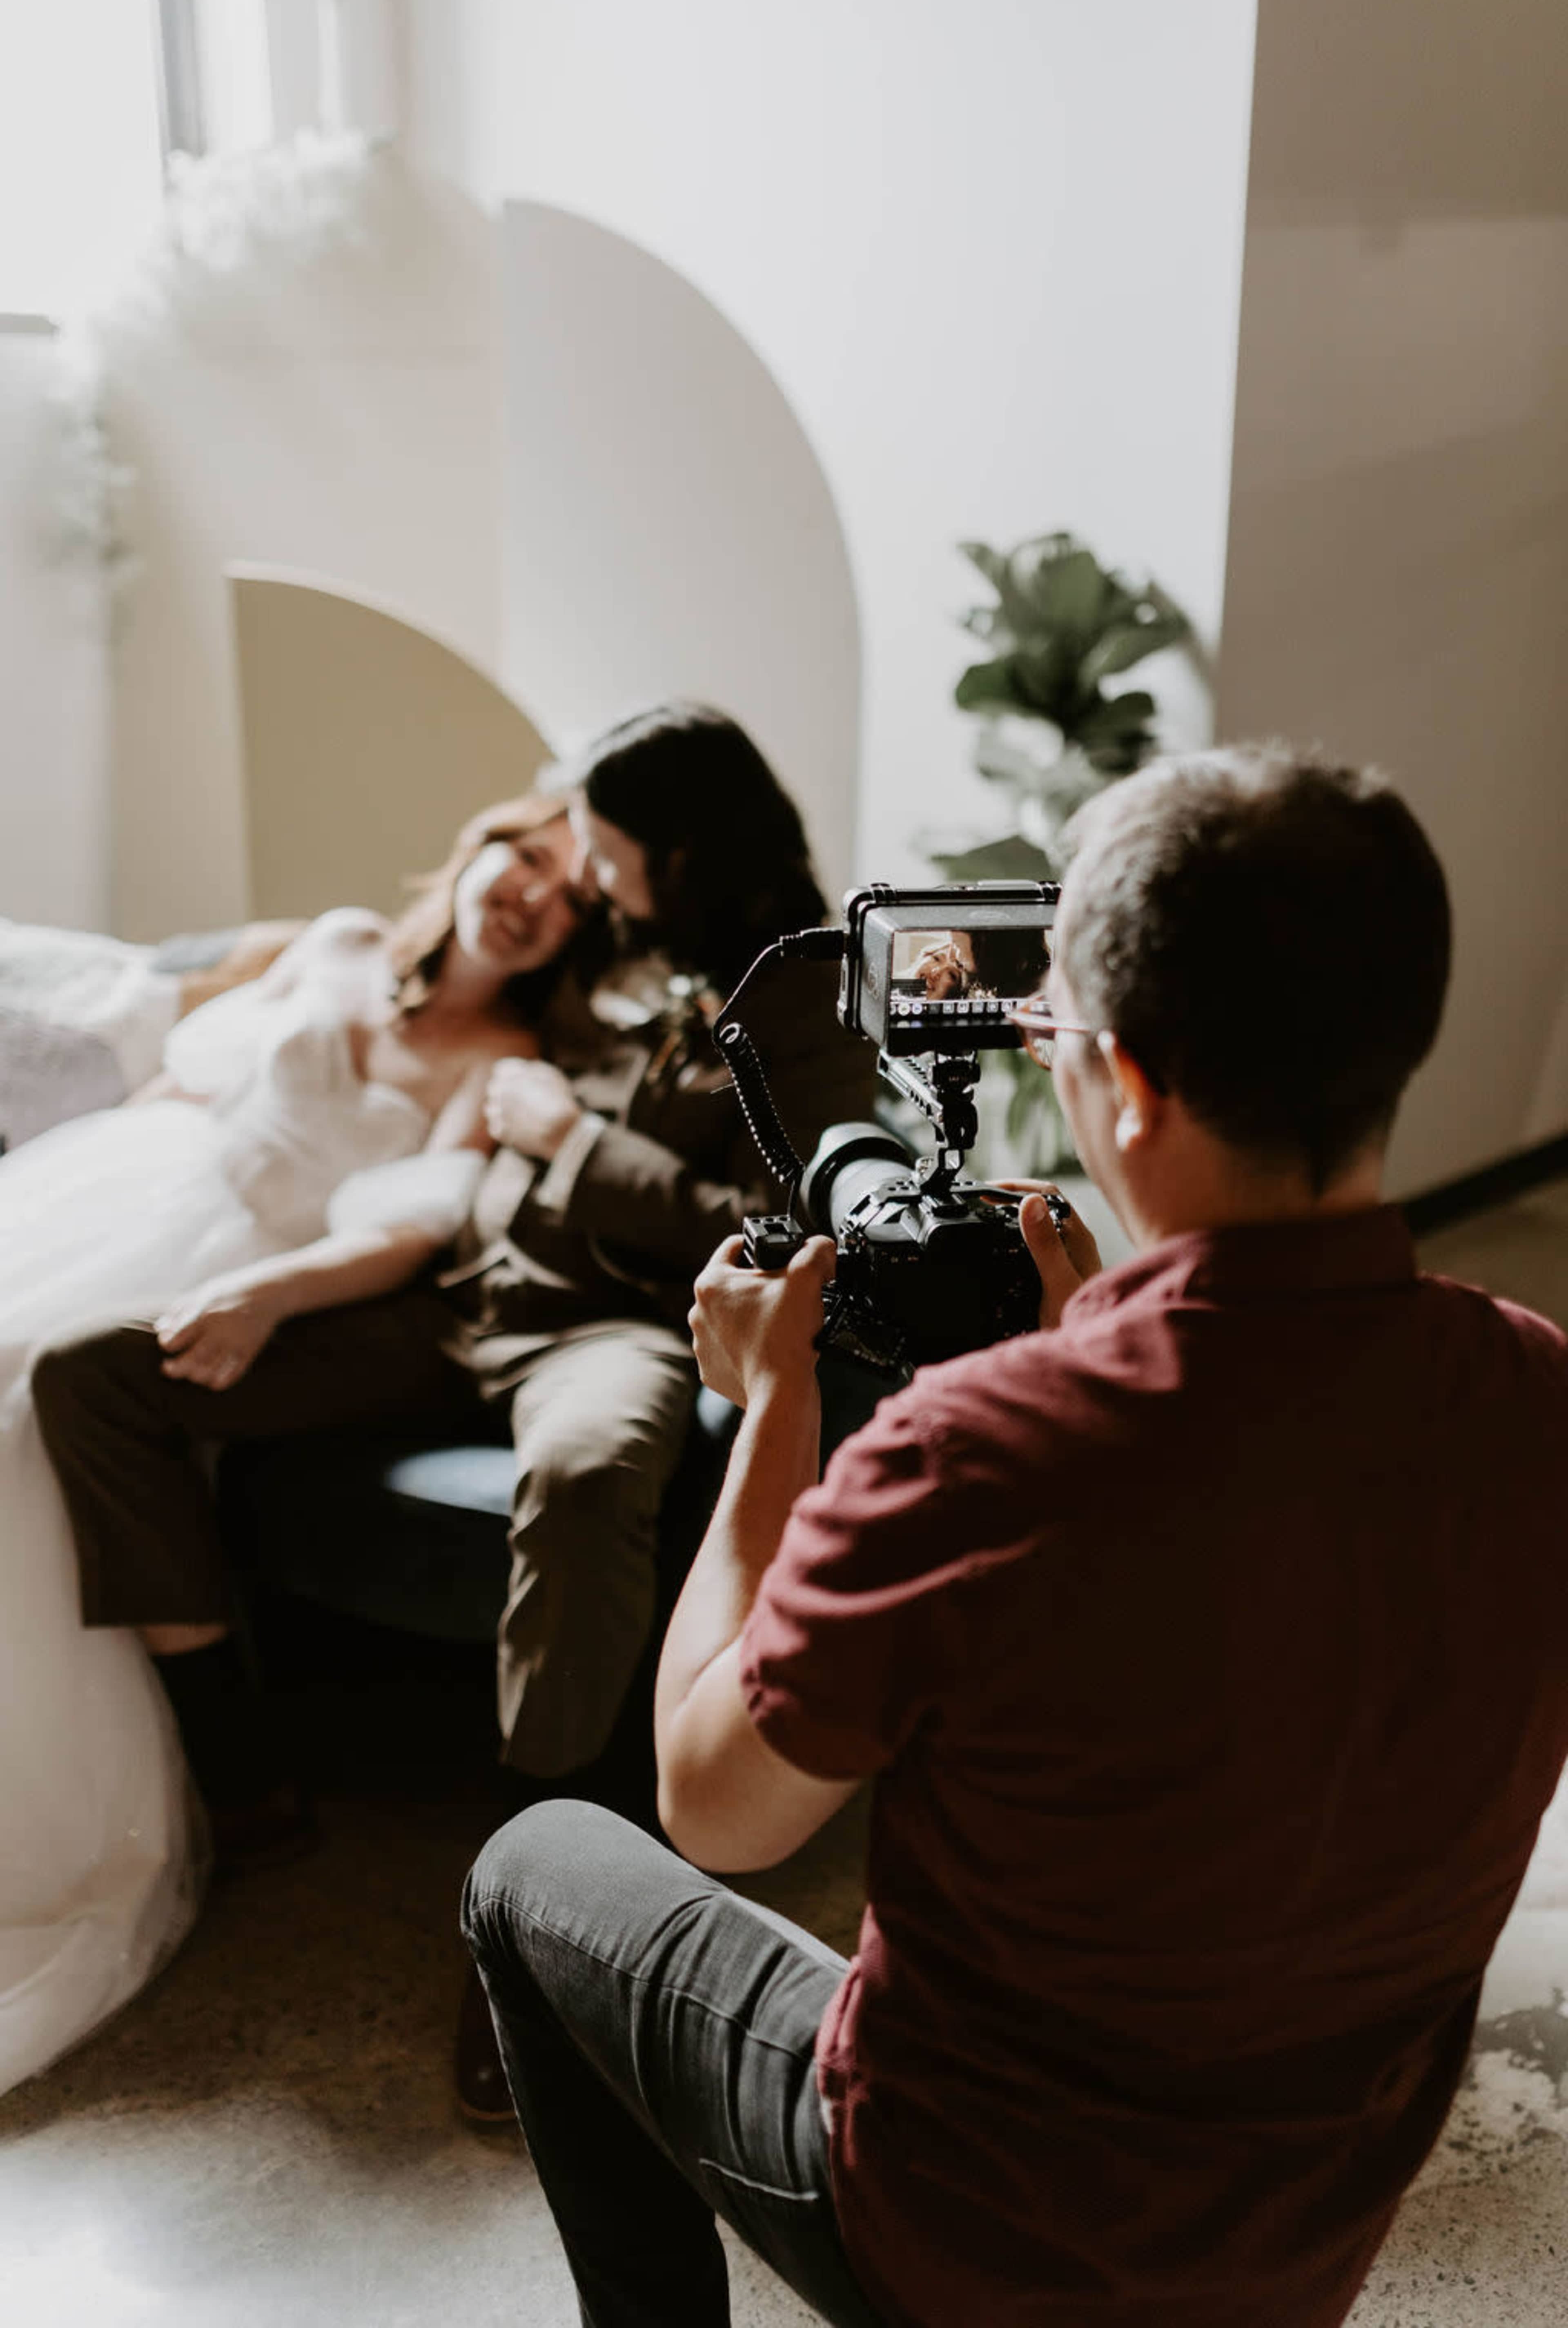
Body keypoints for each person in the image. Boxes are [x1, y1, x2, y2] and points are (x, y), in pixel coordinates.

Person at [462, 746, 1568, 2328]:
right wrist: (1094, 1333)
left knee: (531, 1865)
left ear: (1123, 1082)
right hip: (1307, 2233)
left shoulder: (969, 1456)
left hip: (972, 2235)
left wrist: (775, 1399)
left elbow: (713, 1806)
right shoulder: (1534, 1386)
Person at [35, 703, 876, 2110]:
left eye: (604, 850)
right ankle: (244, 1776)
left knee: (599, 1469)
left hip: (600, 1328)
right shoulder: (616, 948)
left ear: (677, 849)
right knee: (94, 1378)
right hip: (445, 1291)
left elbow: (789, 1224)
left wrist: (577, 1142)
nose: (588, 877)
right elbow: (456, 950)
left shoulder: (804, 989)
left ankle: (534, 1931)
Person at [0, 789, 582, 2098]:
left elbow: (413, 1230)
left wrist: (265, 1296)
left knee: (44, 1397)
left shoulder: (506, 1063)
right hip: (151, 1183)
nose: (531, 890)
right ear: (475, 843)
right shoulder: (335, 941)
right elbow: (191, 1054)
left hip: (293, 1265)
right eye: (521, 852)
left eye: (566, 891)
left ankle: (205, 1790)